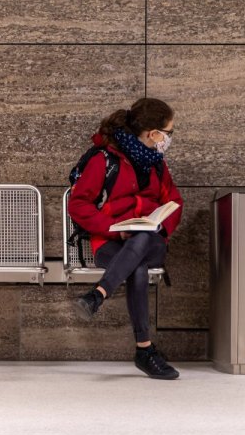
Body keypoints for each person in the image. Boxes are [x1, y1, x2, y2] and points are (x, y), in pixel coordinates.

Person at [68, 97, 183, 380]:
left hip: (151, 242)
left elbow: (175, 201)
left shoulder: (158, 164)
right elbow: (78, 204)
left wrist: (158, 224)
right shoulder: (104, 160)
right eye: (168, 133)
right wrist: (113, 229)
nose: (168, 139)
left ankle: (98, 295)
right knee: (137, 268)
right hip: (110, 244)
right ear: (153, 133)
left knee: (142, 239)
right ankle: (144, 350)